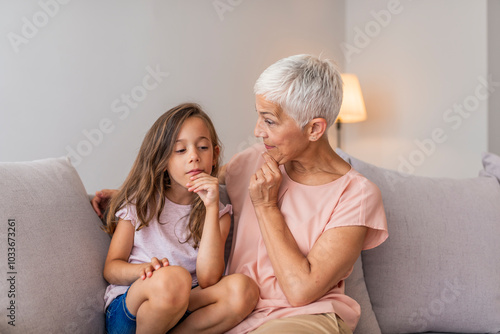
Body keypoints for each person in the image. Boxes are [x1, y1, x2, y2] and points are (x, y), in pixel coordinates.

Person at [93, 54, 388, 334]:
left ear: (314, 129)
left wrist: (266, 205)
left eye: (269, 121)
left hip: (301, 317)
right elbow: (191, 180)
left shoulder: (356, 195)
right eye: (259, 117)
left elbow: (301, 291)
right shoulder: (253, 160)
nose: (258, 130)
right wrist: (127, 193)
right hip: (231, 313)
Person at [101, 103, 259, 334]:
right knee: (174, 279)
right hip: (131, 310)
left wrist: (212, 206)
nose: (194, 156)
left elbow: (208, 279)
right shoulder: (140, 203)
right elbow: (111, 268)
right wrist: (145, 271)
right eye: (180, 150)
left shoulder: (220, 214)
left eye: (202, 147)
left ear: (214, 156)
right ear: (163, 160)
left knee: (244, 289)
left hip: (183, 309)